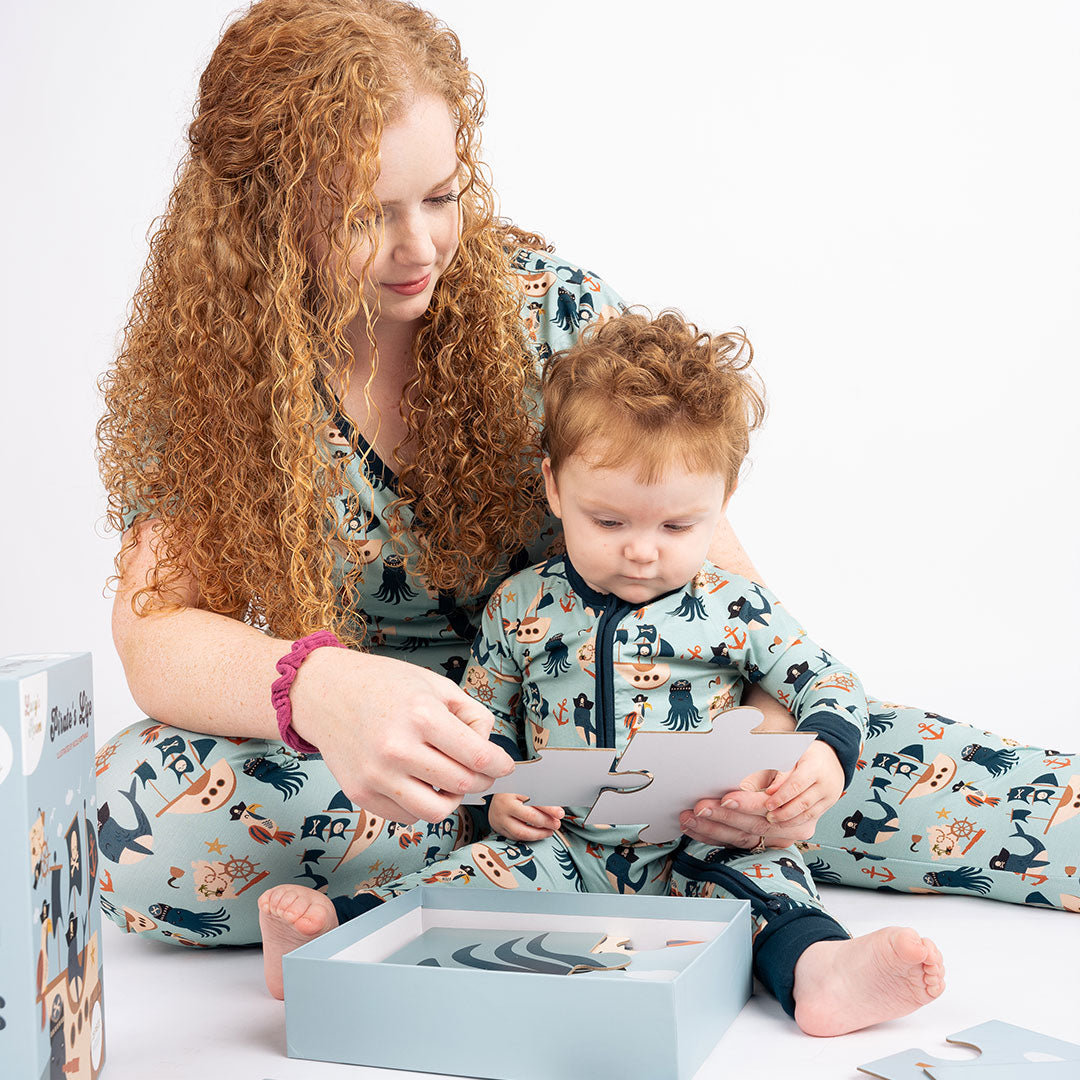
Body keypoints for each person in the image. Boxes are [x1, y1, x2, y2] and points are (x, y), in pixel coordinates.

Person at [96, 0, 1077, 954]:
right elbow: (155, 632)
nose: (419, 246)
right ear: (265, 210)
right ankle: (554, 860)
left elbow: (719, 579)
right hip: (421, 771)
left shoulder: (546, 314)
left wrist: (764, 748)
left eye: (440, 196)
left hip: (661, 741)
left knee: (979, 796)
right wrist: (321, 690)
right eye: (366, 214)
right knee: (133, 819)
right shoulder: (214, 373)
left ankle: (542, 872)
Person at [257, 310, 947, 1035]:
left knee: (769, 888)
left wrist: (826, 753)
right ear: (555, 488)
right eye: (609, 522)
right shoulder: (521, 605)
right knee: (464, 883)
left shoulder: (737, 606)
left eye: (677, 526)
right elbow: (481, 720)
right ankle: (334, 935)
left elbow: (827, 679)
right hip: (562, 846)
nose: (642, 552)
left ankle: (821, 972)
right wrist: (498, 802)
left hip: (705, 837)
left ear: (722, 503)